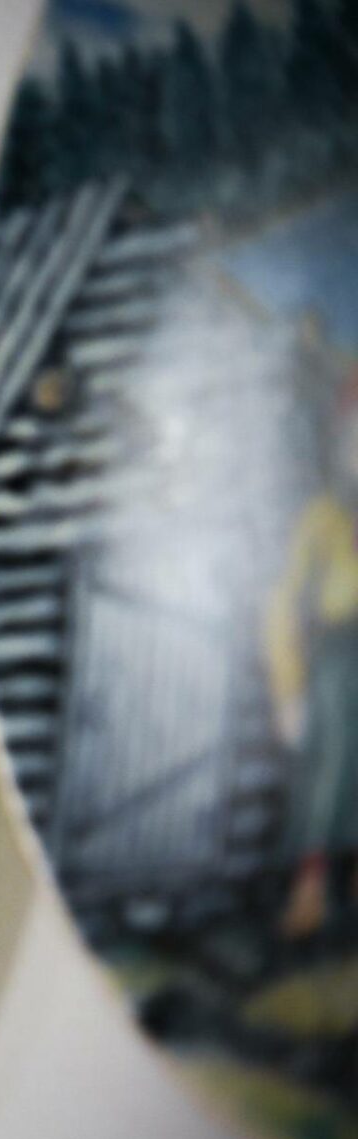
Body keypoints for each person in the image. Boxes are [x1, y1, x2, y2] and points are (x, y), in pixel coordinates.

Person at [265, 372, 358, 942]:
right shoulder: (322, 517)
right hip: (334, 658)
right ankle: (311, 888)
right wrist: (289, 690)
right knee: (327, 767)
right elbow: (283, 600)